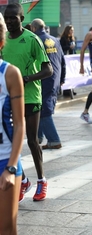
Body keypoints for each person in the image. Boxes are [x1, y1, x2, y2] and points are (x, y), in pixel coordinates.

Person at [3, 3, 53, 202]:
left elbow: (48, 70)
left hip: (31, 96)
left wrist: (26, 79)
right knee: (9, 142)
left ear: (22, 19)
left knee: (32, 140)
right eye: (6, 18)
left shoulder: (32, 39)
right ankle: (23, 180)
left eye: (13, 18)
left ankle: (42, 180)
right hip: (8, 98)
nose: (9, 21)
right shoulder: (3, 40)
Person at [0, 15, 25, 235]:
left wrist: (10, 167)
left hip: (4, 161)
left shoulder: (9, 73)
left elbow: (19, 125)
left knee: (7, 233)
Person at [30, 19, 66, 150]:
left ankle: (54, 140)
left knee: (44, 111)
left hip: (43, 79)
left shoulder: (34, 40)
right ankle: (38, 136)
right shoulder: (55, 40)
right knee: (40, 109)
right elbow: (62, 60)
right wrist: (62, 79)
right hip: (55, 80)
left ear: (33, 28)